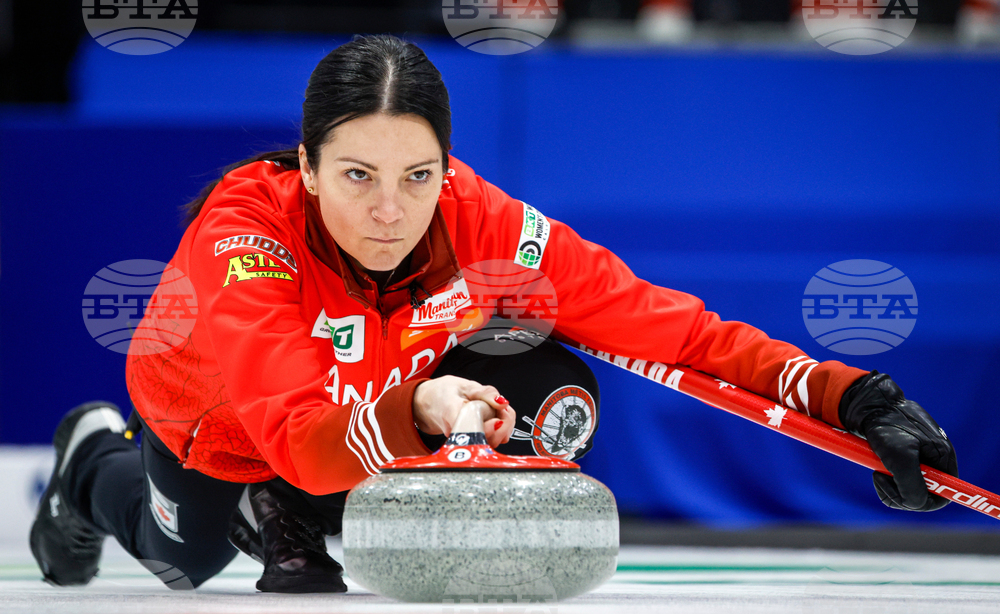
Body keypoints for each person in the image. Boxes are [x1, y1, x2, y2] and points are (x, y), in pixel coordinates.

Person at [30, 34, 957, 593]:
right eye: (357, 177)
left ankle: (318, 513)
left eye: (417, 177)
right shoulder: (248, 236)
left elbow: (677, 335)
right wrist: (420, 410)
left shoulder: (486, 227)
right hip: (227, 424)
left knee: (552, 382)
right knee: (178, 562)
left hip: (371, 399)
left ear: (447, 169)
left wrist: (854, 399)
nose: (390, 212)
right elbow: (305, 443)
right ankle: (89, 465)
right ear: (306, 170)